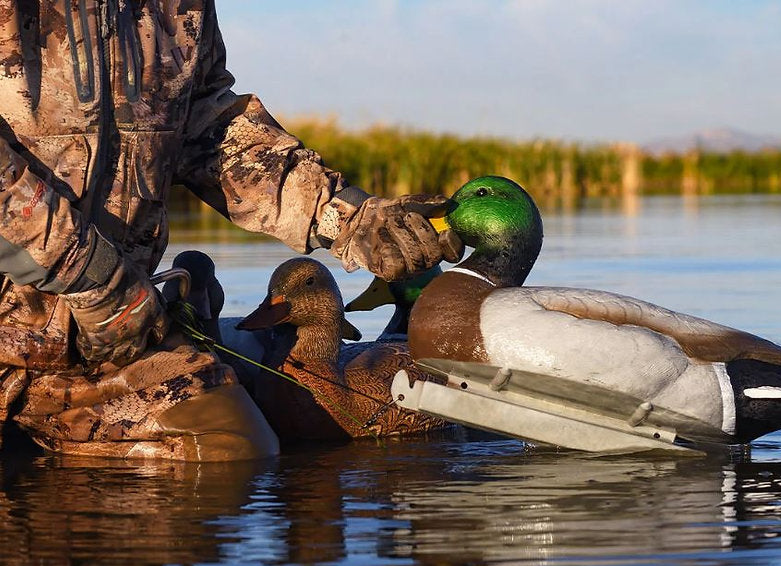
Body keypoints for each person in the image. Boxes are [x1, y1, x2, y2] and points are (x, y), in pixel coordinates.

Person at [0, 1, 460, 460]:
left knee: (230, 451)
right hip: (75, 309)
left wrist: (347, 217)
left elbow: (208, 124)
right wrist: (96, 279)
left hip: (113, 343)